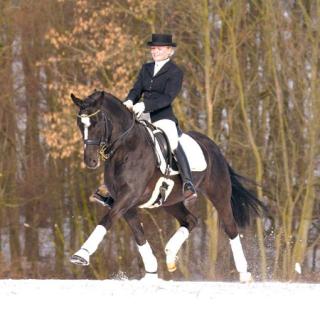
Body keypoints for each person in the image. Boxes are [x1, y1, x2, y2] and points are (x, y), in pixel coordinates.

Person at [122, 33, 197, 203]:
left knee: (172, 140)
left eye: (159, 49)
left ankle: (187, 183)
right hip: (142, 114)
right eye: (153, 48)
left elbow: (167, 97)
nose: (155, 51)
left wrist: (145, 106)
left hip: (162, 116)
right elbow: (136, 89)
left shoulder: (175, 72)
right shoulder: (146, 68)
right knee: (123, 137)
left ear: (169, 51)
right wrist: (129, 101)